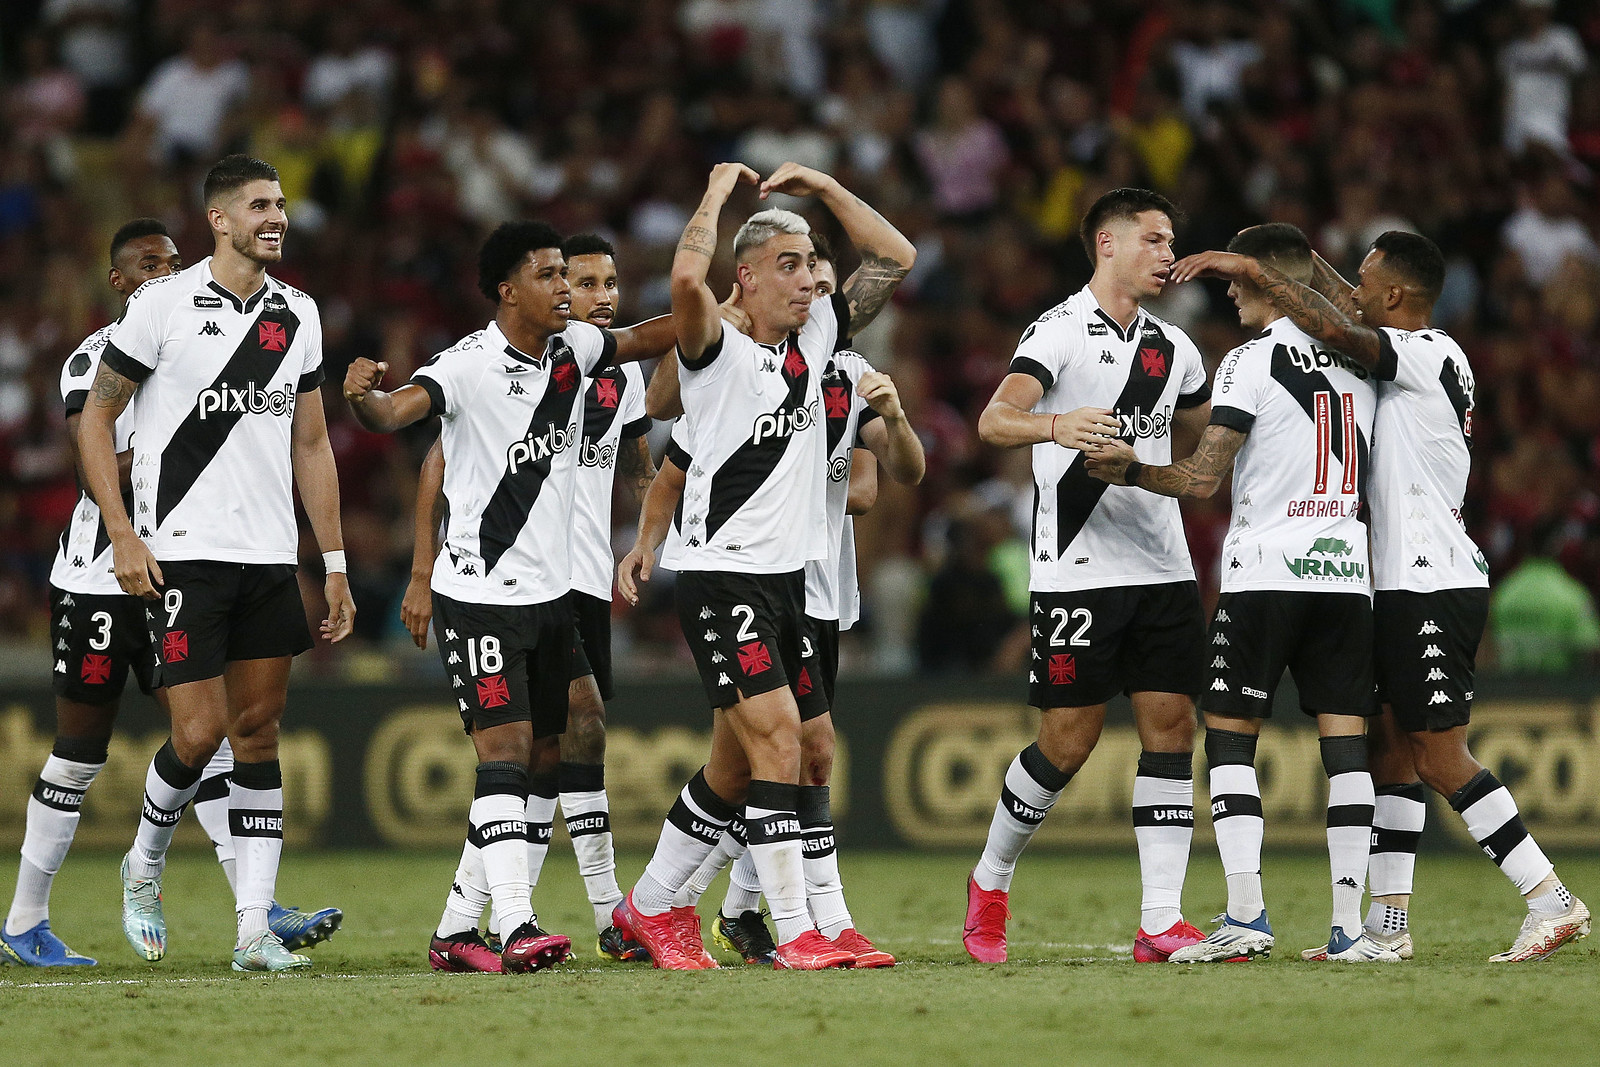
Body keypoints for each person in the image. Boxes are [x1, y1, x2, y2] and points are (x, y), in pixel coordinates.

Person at [1167, 229, 1589, 962]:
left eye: (1363, 279)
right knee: (1391, 748)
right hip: (1394, 581)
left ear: (1394, 296)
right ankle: (1385, 926)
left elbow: (1333, 322)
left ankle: (1549, 896)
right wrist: (1290, 261)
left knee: (1439, 755)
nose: (1350, 289)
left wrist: (1252, 268)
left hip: (1431, 577)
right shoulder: (1412, 352)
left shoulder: (1421, 354)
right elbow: (1334, 306)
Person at [341, 221, 675, 974]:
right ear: (507, 289)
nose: (565, 287)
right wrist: (361, 398)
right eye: (550, 274)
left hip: (554, 597)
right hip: (480, 596)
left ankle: (458, 930)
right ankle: (517, 920)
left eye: (570, 274)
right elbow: (397, 414)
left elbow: (647, 337)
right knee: (508, 750)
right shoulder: (467, 365)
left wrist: (711, 310)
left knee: (563, 736)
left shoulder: (577, 353)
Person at [2, 220, 338, 967]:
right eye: (148, 264)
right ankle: (25, 919)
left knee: (210, 737)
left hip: (183, 572)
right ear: (119, 283)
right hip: (98, 578)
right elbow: (106, 462)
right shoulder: (94, 356)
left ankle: (257, 906)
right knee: (80, 751)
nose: (165, 271)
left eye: (173, 261)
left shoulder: (207, 337)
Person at [612, 160, 914, 970]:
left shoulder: (817, 339)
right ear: (742, 278)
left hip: (788, 582)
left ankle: (647, 906)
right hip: (721, 578)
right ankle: (796, 929)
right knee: (778, 740)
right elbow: (684, 274)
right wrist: (713, 192)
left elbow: (894, 257)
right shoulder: (712, 348)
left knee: (793, 749)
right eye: (791, 263)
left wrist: (821, 188)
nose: (812, 277)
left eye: (814, 261)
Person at [78, 156, 355, 973]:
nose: (277, 216)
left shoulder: (298, 313)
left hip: (267, 557)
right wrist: (123, 532)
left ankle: (252, 932)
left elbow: (311, 441)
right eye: (260, 205)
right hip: (182, 556)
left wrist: (331, 560)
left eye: (281, 204)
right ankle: (144, 861)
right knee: (197, 734)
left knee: (258, 733)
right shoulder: (161, 304)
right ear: (221, 220)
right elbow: (96, 421)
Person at [1089, 223, 1391, 962]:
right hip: (1346, 574)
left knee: (1228, 736)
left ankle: (1248, 917)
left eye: (1237, 278)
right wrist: (1287, 257)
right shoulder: (1365, 359)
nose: (1228, 290)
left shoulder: (1249, 363)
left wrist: (1127, 467)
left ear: (1262, 279)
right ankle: (1350, 928)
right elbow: (1339, 297)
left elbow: (1199, 479)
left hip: (1264, 575)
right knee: (1346, 744)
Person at [963, 187, 1213, 966]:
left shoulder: (1177, 351)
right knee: (1067, 742)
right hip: (1077, 570)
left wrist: (1160, 468)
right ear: (1107, 244)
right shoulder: (1060, 332)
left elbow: (1202, 457)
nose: (1169, 254)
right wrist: (1055, 426)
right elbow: (993, 420)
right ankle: (991, 876)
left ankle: (1161, 919)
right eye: (1154, 238)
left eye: (1172, 241)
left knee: (1172, 727)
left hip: (1164, 566)